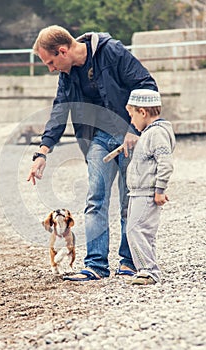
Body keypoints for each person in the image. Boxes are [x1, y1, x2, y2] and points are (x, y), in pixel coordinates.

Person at [27, 25, 158, 281]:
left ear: (63, 51)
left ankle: (129, 261)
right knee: (95, 200)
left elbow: (147, 85)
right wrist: (42, 153)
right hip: (98, 138)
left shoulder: (113, 52)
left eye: (51, 62)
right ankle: (96, 265)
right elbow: (59, 110)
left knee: (128, 201)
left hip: (130, 138)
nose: (51, 69)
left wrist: (135, 128)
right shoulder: (67, 74)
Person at [125, 89, 176, 285]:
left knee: (135, 230)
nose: (132, 121)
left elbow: (165, 163)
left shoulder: (156, 134)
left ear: (143, 112)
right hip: (139, 192)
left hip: (146, 193)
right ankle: (149, 268)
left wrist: (159, 190)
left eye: (132, 115)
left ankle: (147, 270)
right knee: (144, 231)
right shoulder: (150, 134)